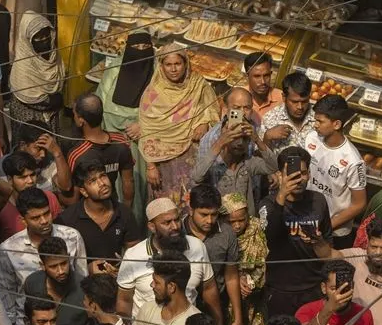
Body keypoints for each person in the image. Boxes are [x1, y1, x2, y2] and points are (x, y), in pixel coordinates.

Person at [136, 46, 220, 205]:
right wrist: (151, 166)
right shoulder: (153, 92)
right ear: (161, 66)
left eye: (178, 63)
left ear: (186, 64)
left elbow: (213, 108)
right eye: (168, 64)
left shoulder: (198, 85)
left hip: (192, 155)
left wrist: (204, 123)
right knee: (167, 203)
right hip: (162, 161)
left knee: (193, 199)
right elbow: (147, 130)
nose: (173, 69)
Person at [117, 198, 221, 322]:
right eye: (167, 223)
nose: (175, 226)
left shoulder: (197, 247)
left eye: (177, 220)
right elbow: (124, 300)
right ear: (152, 226)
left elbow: (209, 289)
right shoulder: (134, 255)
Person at [0, 189, 88, 325]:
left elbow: (83, 280)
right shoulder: (9, 249)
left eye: (46, 214)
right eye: (36, 218)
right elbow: (7, 297)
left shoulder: (72, 237)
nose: (44, 221)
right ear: (23, 220)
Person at [264, 146, 334, 317]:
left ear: (309, 174)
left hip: (313, 287)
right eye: (291, 174)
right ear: (280, 175)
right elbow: (269, 238)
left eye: (302, 173)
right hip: (281, 289)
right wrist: (281, 197)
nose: (298, 179)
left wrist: (318, 242)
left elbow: (328, 241)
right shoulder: (268, 204)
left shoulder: (318, 201)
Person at [96, 31, 155, 224]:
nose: (140, 53)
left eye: (145, 49)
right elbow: (101, 103)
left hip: (145, 145)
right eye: (135, 48)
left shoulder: (157, 73)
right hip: (113, 141)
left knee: (143, 187)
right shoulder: (114, 70)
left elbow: (165, 108)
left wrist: (144, 125)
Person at [191, 102, 279, 215]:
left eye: (244, 138)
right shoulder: (213, 163)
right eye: (235, 137)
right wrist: (220, 142)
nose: (240, 143)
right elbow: (197, 176)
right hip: (221, 224)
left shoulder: (248, 163)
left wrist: (257, 139)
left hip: (245, 224)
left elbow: (273, 166)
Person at [56, 158, 140, 271]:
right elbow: (58, 264)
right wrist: (87, 269)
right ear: (84, 191)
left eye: (103, 176)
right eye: (93, 181)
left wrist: (124, 265)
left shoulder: (124, 212)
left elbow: (135, 252)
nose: (102, 184)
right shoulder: (67, 220)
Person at [304, 94, 367, 248]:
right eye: (315, 120)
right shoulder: (311, 139)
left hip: (335, 233)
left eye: (320, 121)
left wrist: (327, 225)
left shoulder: (353, 160)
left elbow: (359, 204)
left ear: (337, 124)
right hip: (307, 222)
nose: (315, 125)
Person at [184, 184, 243, 325]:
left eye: (214, 215)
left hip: (218, 307)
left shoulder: (226, 233)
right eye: (203, 214)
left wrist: (238, 318)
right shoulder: (178, 232)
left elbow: (231, 276)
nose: (209, 220)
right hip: (186, 305)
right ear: (191, 210)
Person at [223, 193, 268, 325]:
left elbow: (262, 263)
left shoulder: (256, 230)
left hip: (253, 303)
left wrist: (249, 281)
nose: (237, 225)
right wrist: (235, 279)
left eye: (241, 220)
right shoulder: (220, 235)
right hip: (225, 303)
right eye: (231, 221)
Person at [23, 236, 90, 325]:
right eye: (53, 266)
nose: (61, 271)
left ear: (69, 258)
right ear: (42, 265)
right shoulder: (32, 283)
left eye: (64, 263)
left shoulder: (85, 288)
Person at [68, 93, 135, 207]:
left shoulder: (77, 154)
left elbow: (73, 198)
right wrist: (125, 211)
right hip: (113, 205)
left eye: (74, 114)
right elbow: (128, 182)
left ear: (81, 120)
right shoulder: (120, 142)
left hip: (88, 210)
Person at [9, 12, 66, 137]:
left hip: (52, 117)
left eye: (46, 35)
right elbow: (28, 95)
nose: (44, 41)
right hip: (30, 118)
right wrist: (50, 100)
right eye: (38, 38)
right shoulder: (23, 65)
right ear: (28, 40)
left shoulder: (54, 57)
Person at [0, 151, 63, 242]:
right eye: (23, 177)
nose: (30, 181)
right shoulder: (1, 208)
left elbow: (59, 231)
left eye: (32, 175)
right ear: (10, 179)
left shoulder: (49, 198)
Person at [262, 71, 316, 150]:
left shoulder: (319, 118)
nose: (300, 107)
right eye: (294, 102)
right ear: (284, 97)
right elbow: (260, 157)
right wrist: (267, 137)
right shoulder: (270, 119)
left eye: (304, 101)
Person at [243, 52, 283, 119]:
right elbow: (233, 125)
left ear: (271, 74)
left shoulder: (282, 99)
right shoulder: (237, 99)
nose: (263, 82)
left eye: (266, 75)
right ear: (247, 76)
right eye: (257, 76)